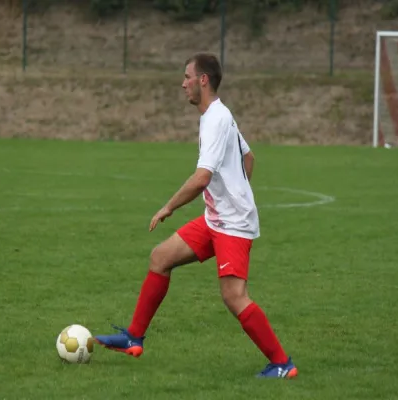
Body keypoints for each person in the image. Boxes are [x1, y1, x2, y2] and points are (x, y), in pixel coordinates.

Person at [95, 52, 297, 379]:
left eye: (187, 77)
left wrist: (169, 206)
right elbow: (249, 158)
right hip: (217, 219)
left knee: (234, 297)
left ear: (203, 79)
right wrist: (235, 190)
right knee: (160, 257)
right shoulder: (217, 115)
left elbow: (202, 176)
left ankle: (282, 364)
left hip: (232, 224)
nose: (183, 83)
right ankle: (134, 337)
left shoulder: (217, 118)